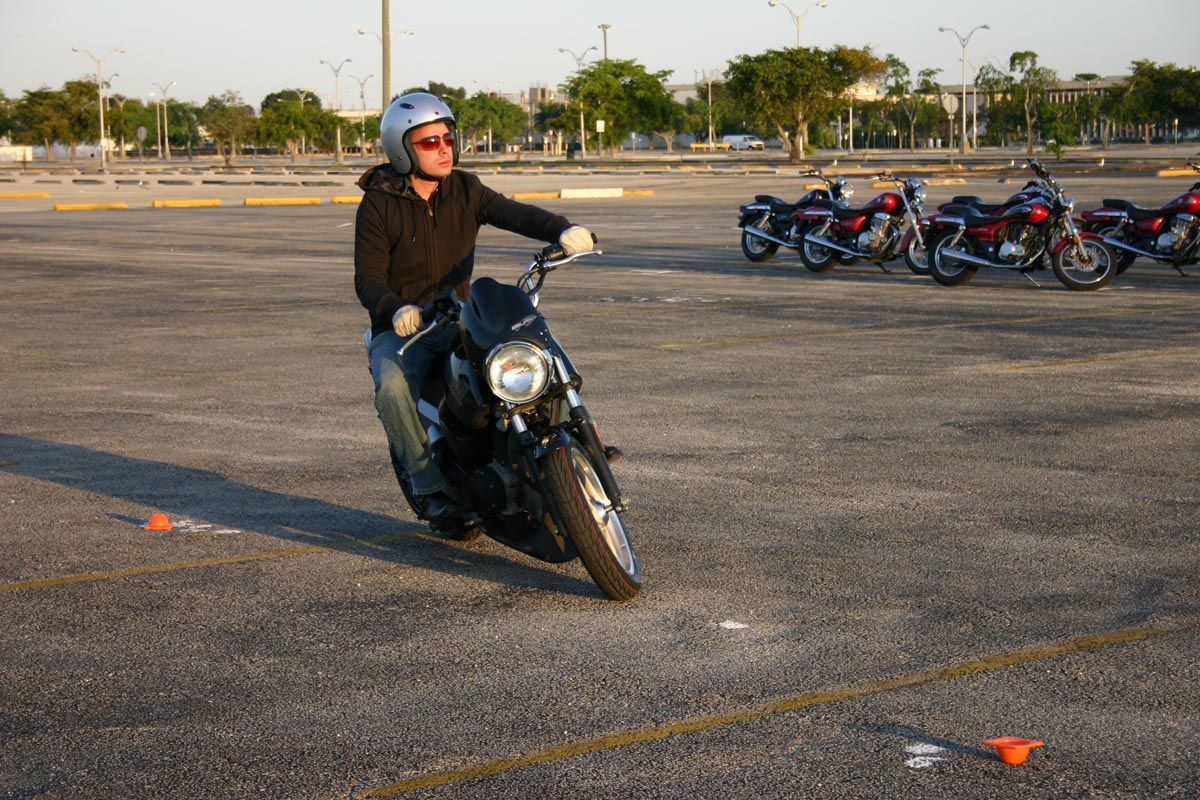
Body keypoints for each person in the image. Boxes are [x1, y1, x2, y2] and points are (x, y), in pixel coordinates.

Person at [354, 92, 594, 529]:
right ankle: (429, 490)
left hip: (457, 316)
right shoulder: (378, 203)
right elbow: (367, 278)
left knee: (531, 340)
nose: (444, 149)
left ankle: (574, 437)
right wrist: (396, 308)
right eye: (430, 142)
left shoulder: (466, 189)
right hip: (404, 329)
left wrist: (562, 229)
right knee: (391, 386)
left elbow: (513, 213)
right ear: (402, 150)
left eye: (448, 138)